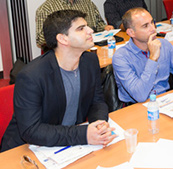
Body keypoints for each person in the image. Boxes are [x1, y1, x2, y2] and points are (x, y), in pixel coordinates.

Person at [1, 10, 116, 152]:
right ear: (62, 39)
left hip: (70, 143)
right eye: (81, 28)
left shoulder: (90, 61)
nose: (90, 30)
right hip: (27, 149)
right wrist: (84, 134)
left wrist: (99, 123)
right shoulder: (31, 76)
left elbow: (97, 101)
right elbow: (31, 130)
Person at [35, 0, 113, 47]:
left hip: (92, 48)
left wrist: (105, 27)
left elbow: (99, 24)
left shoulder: (87, 3)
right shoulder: (46, 8)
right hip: (65, 53)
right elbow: (41, 39)